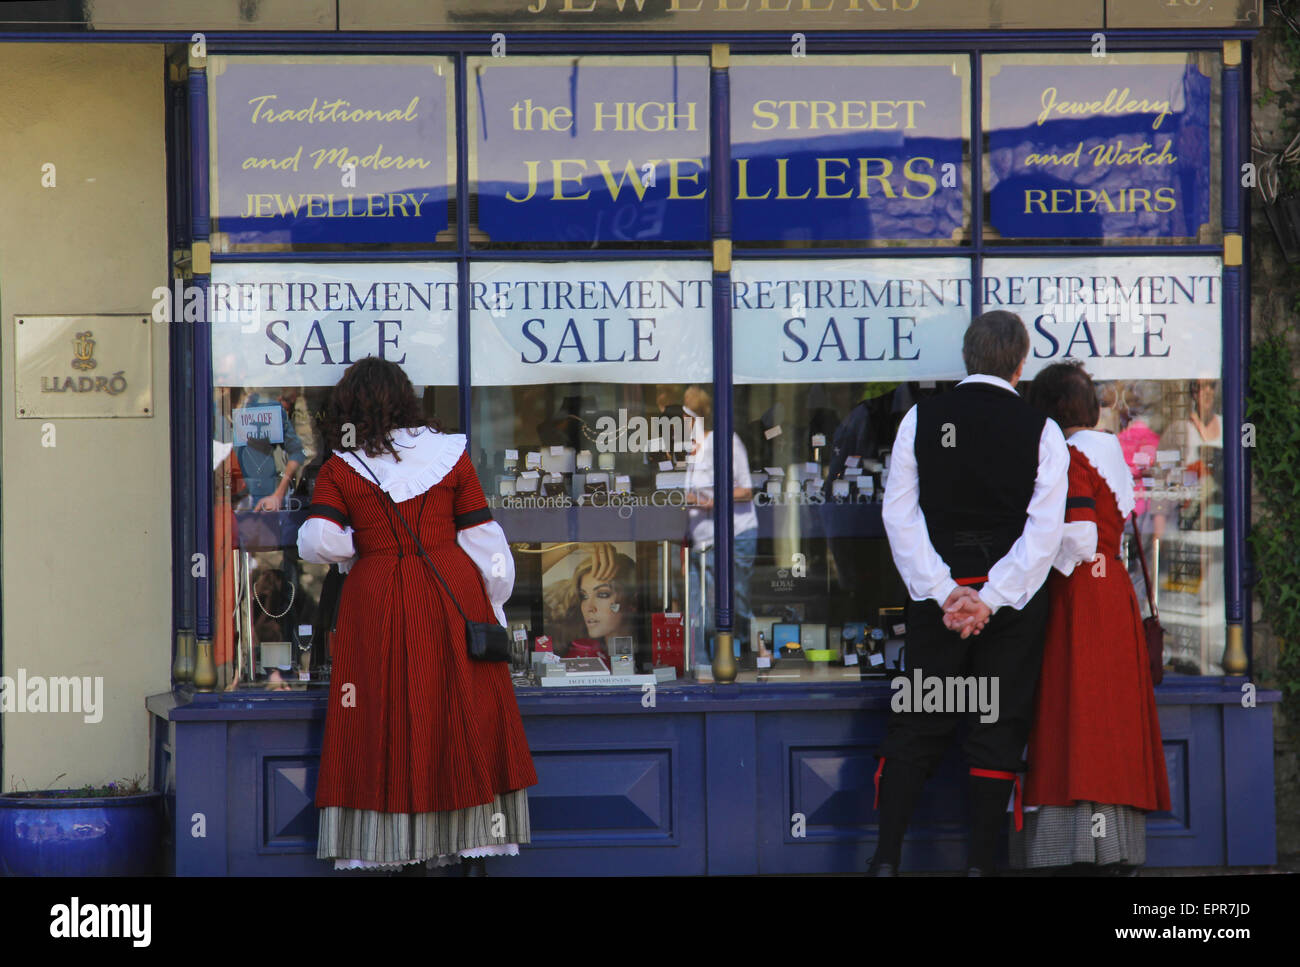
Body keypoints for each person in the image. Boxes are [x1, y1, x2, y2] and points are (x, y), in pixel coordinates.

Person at [297, 357, 538, 873]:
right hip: (452, 593)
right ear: (406, 399)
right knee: (457, 715)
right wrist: (493, 602)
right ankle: (471, 850)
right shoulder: (449, 454)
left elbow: (315, 540)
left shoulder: (343, 465)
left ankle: (395, 850)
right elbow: (485, 542)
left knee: (382, 717)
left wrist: (362, 543)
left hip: (376, 597)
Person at [871, 310, 1069, 877]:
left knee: (919, 722)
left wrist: (943, 592)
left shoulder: (920, 419)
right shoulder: (1043, 431)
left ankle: (886, 860)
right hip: (1009, 611)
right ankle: (983, 865)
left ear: (968, 357)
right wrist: (991, 597)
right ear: (1021, 363)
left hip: (940, 609)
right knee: (997, 727)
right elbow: (1044, 533)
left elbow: (899, 517)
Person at [1013, 362, 1171, 873]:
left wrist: (1025, 553)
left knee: (1073, 715)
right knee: (1109, 724)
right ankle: (1113, 846)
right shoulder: (1111, 453)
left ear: (1052, 411)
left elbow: (1078, 537)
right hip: (1114, 597)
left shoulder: (1070, 455)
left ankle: (1072, 850)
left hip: (1077, 598)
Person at [682, 384, 757, 662]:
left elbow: (746, 490)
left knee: (736, 602)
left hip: (734, 535)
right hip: (700, 538)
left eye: (684, 415)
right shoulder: (692, 450)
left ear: (696, 416)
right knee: (697, 605)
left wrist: (711, 502)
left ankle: (751, 657)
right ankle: (701, 665)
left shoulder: (727, 441)